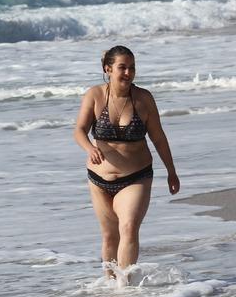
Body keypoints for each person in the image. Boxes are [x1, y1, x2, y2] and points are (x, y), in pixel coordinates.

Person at [74, 45, 180, 279]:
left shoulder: (143, 98)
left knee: (129, 228)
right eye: (122, 67)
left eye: (132, 68)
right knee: (110, 236)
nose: (128, 73)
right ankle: (111, 288)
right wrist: (90, 148)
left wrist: (171, 171)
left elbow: (159, 137)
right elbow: (79, 130)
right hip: (99, 180)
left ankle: (125, 288)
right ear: (108, 69)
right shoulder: (95, 95)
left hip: (136, 177)